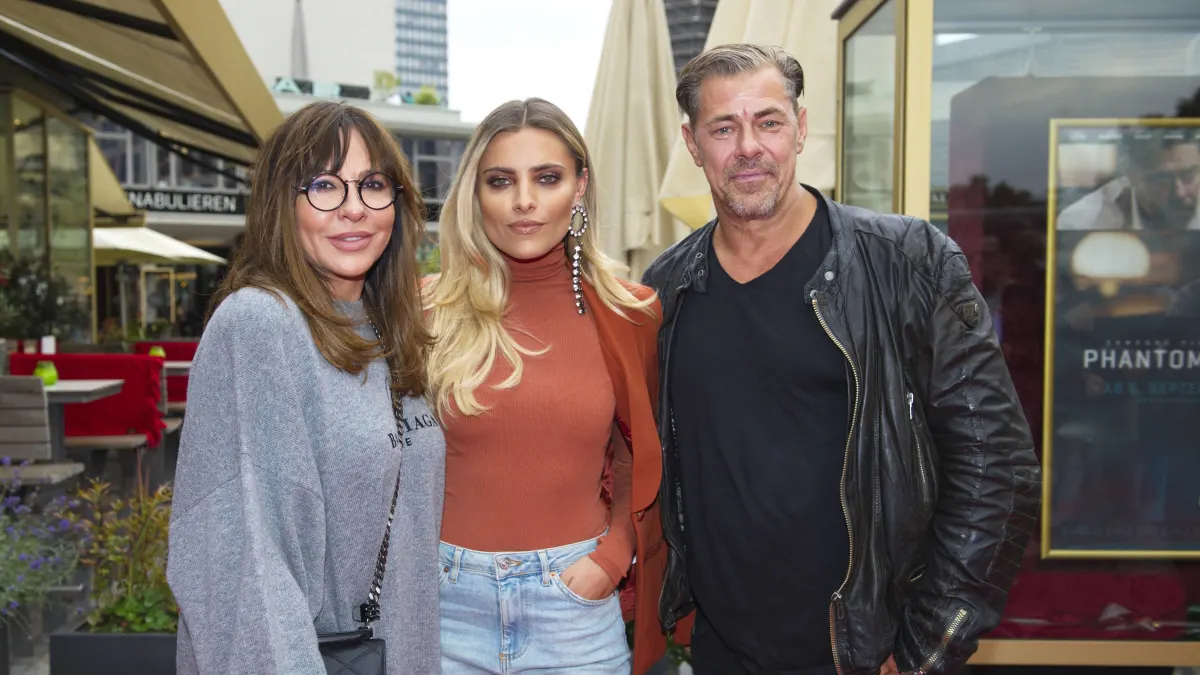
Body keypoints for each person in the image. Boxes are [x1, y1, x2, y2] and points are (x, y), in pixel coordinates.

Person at [642, 44, 1041, 675]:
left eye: (768, 121)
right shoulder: (666, 288)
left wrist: (926, 649)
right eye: (724, 128)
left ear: (801, 128)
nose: (749, 146)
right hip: (721, 651)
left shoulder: (908, 263)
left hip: (866, 654)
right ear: (693, 145)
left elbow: (999, 469)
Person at [167, 101, 445, 674]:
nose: (353, 210)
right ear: (281, 204)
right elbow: (246, 567)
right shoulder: (260, 325)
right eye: (324, 186)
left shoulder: (389, 327)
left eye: (372, 184)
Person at [424, 98, 668, 674]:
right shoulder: (426, 308)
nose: (524, 201)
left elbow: (641, 455)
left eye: (548, 178)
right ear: (475, 194)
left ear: (579, 187)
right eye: (500, 181)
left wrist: (612, 558)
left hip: (574, 610)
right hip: (444, 607)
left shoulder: (631, 312)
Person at [1057, 130, 1200, 230]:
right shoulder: (1081, 223)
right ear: (1132, 176)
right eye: (1161, 179)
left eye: (1189, 175)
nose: (1179, 193)